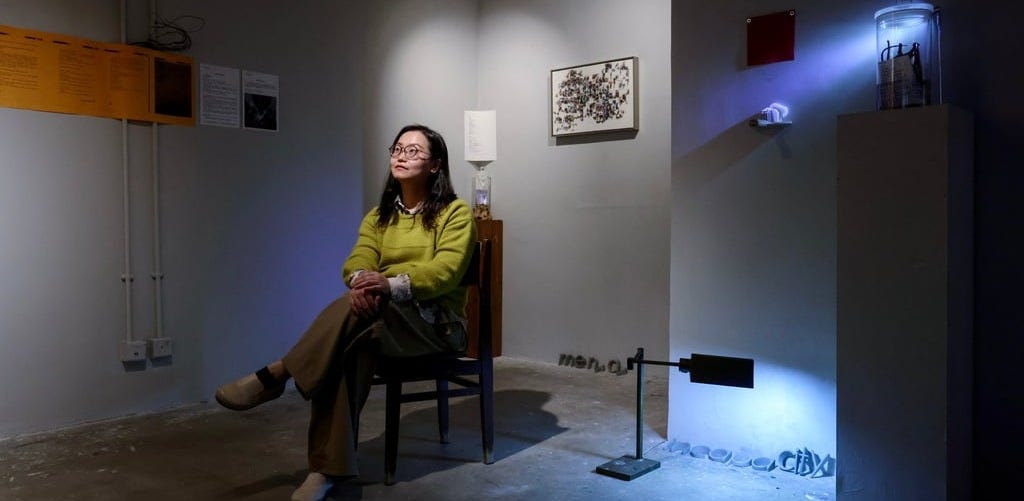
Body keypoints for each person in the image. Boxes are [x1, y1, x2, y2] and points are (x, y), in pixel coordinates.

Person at [214, 124, 477, 501]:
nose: (401, 156)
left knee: (355, 318)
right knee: (351, 346)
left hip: (436, 324)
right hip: (380, 319)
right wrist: (361, 282)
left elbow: (443, 273)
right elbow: (358, 259)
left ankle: (280, 372)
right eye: (397, 148)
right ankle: (325, 471)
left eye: (414, 151)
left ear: (435, 165)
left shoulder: (455, 213)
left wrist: (385, 285)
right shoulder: (379, 216)